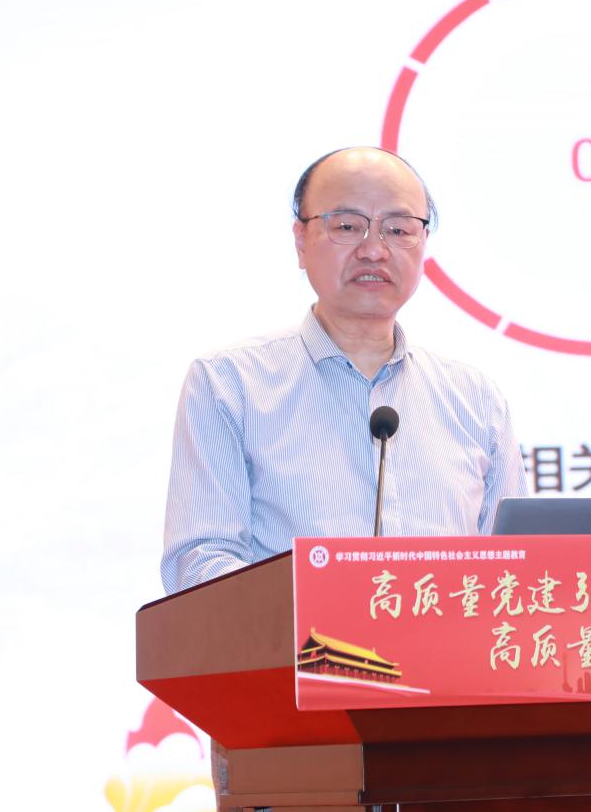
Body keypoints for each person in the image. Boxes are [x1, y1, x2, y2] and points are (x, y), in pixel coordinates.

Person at [161, 147, 528, 595]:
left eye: (398, 229)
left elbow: (517, 567)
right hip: (297, 641)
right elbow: (199, 564)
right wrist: (328, 606)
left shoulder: (476, 399)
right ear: (301, 240)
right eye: (348, 226)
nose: (373, 250)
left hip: (447, 642)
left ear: (423, 243)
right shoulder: (229, 384)